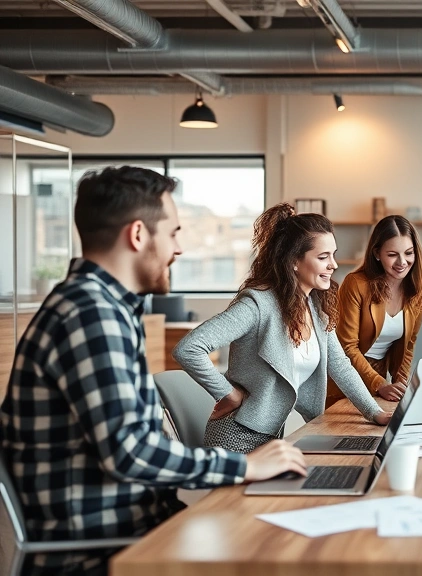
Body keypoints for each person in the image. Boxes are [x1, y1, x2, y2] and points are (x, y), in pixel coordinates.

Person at [0, 167, 306, 576]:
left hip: (137, 529)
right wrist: (246, 465)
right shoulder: (91, 315)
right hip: (102, 551)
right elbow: (130, 451)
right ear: (138, 234)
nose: (178, 248)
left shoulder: (102, 308)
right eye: (174, 232)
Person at [174, 203, 390, 453]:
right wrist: (227, 393)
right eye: (323, 257)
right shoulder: (257, 304)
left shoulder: (314, 306)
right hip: (235, 440)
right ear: (294, 262)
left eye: (333, 255)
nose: (333, 265)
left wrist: (374, 412)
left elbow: (340, 365)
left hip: (272, 437)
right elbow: (189, 348)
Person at [336, 216, 422, 401]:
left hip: (382, 378)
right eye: (392, 254)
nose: (402, 262)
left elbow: (409, 342)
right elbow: (346, 347)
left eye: (408, 253)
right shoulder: (356, 284)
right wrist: (380, 384)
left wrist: (401, 383)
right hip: (347, 376)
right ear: (377, 253)